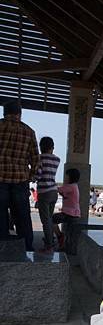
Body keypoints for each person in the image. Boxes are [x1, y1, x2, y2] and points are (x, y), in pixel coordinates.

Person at [0, 100, 39, 250]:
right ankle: (27, 248)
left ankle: (2, 249)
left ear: (4, 112)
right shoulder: (29, 131)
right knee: (23, 217)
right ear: (19, 114)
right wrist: (30, 176)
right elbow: (36, 159)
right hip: (20, 181)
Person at [36, 136, 60, 254]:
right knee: (49, 219)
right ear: (52, 147)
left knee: (45, 220)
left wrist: (33, 177)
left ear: (41, 147)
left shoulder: (39, 159)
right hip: (54, 192)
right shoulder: (57, 160)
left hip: (43, 192)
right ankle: (50, 240)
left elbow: (39, 175)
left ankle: (49, 245)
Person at [52, 168, 81, 250]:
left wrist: (51, 184)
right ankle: (63, 243)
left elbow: (57, 189)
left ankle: (60, 236)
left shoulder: (71, 186)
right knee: (69, 233)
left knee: (51, 220)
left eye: (67, 176)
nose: (66, 178)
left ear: (71, 177)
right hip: (73, 213)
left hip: (70, 214)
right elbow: (65, 195)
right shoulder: (74, 186)